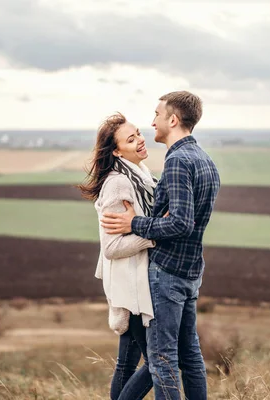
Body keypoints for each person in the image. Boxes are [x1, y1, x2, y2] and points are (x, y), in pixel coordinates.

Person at [101, 91, 221, 400]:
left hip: (167, 273)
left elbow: (180, 222)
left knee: (163, 360)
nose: (151, 121)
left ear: (172, 119)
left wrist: (135, 224)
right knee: (189, 356)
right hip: (191, 270)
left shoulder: (178, 161)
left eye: (156, 115)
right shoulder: (205, 160)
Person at [78, 112, 157, 400]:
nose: (140, 140)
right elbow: (111, 248)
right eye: (131, 138)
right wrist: (153, 235)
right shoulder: (119, 183)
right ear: (116, 151)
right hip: (130, 284)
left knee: (127, 362)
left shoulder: (141, 175)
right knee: (158, 362)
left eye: (138, 133)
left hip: (136, 279)